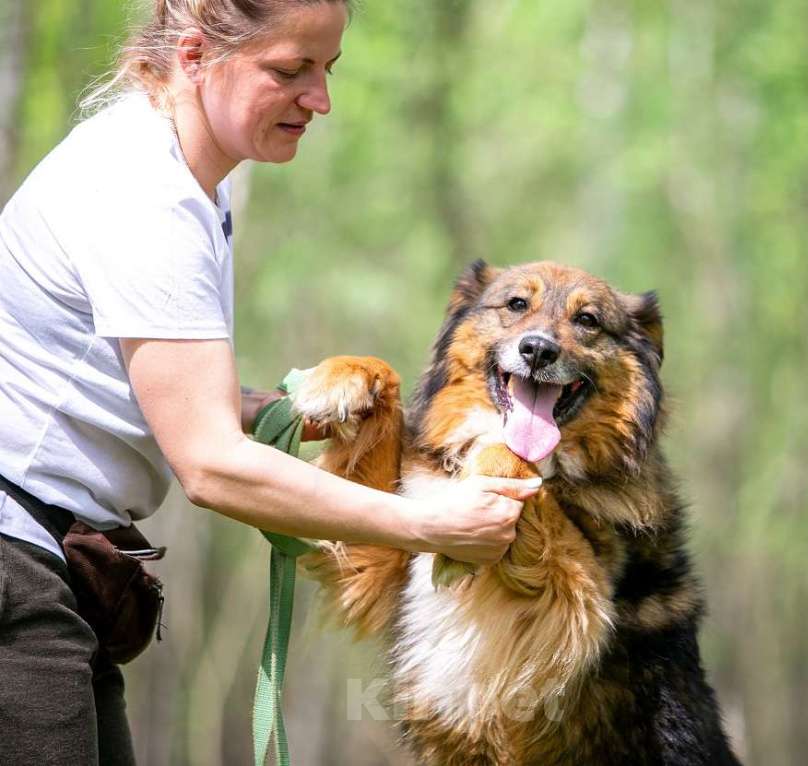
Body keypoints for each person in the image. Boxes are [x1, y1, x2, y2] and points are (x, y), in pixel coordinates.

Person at [0, 1, 540, 763]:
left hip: (48, 566)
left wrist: (272, 412)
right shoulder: (142, 196)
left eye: (328, 69)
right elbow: (211, 467)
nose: (320, 99)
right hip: (14, 564)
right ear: (193, 55)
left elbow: (131, 384)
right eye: (291, 70)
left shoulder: (185, 178)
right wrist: (433, 525)